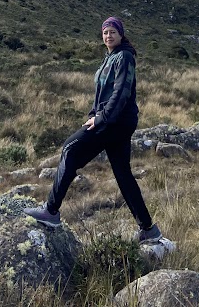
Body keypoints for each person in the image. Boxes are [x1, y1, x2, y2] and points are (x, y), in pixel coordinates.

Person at [25, 16, 162, 244]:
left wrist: (101, 119)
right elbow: (101, 95)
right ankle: (148, 229)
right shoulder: (110, 57)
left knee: (70, 148)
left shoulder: (124, 57)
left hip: (114, 123)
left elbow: (121, 93)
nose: (109, 36)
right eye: (105, 32)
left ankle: (51, 210)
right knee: (123, 174)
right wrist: (93, 115)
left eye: (113, 32)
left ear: (121, 35)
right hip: (112, 122)